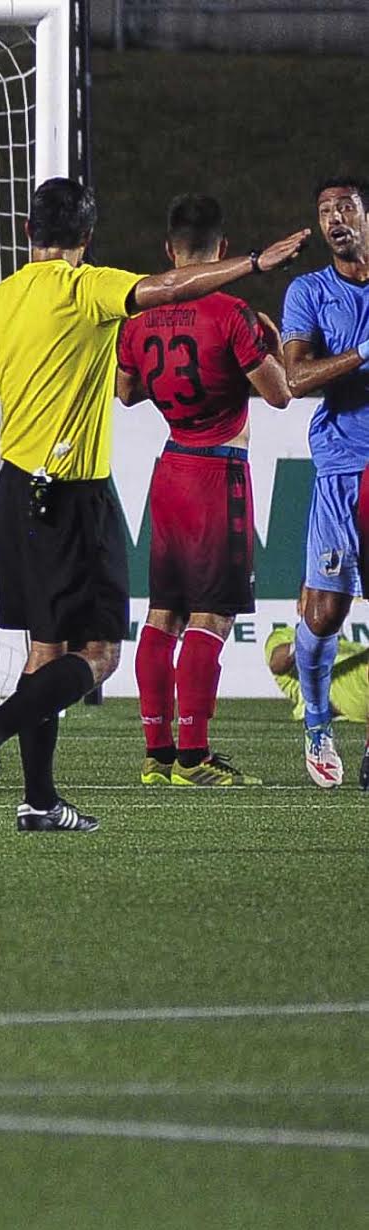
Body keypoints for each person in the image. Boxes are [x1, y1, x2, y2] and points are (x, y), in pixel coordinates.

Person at [0, 179, 305, 831]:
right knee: (104, 651)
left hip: (17, 489)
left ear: (28, 233)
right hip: (83, 491)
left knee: (49, 648)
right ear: (86, 239)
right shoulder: (90, 288)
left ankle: (42, 800)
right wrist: (253, 264)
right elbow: (170, 291)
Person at [115, 193, 290, 787]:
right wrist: (267, 341)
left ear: (168, 249)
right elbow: (279, 393)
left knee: (162, 613)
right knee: (211, 617)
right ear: (220, 248)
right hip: (218, 473)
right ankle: (193, 755)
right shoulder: (231, 312)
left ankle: (156, 753)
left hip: (171, 470)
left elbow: (126, 392)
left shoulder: (137, 319)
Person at [275, 175, 369, 789]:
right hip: (341, 469)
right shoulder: (309, 290)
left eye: (345, 207)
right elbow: (295, 379)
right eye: (324, 211)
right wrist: (362, 353)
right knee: (325, 615)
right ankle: (316, 722)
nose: (335, 218)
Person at [265, 623, 369, 724]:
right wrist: (310, 637)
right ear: (300, 607)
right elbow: (277, 664)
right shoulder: (285, 635)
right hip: (333, 692)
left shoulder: (349, 644)